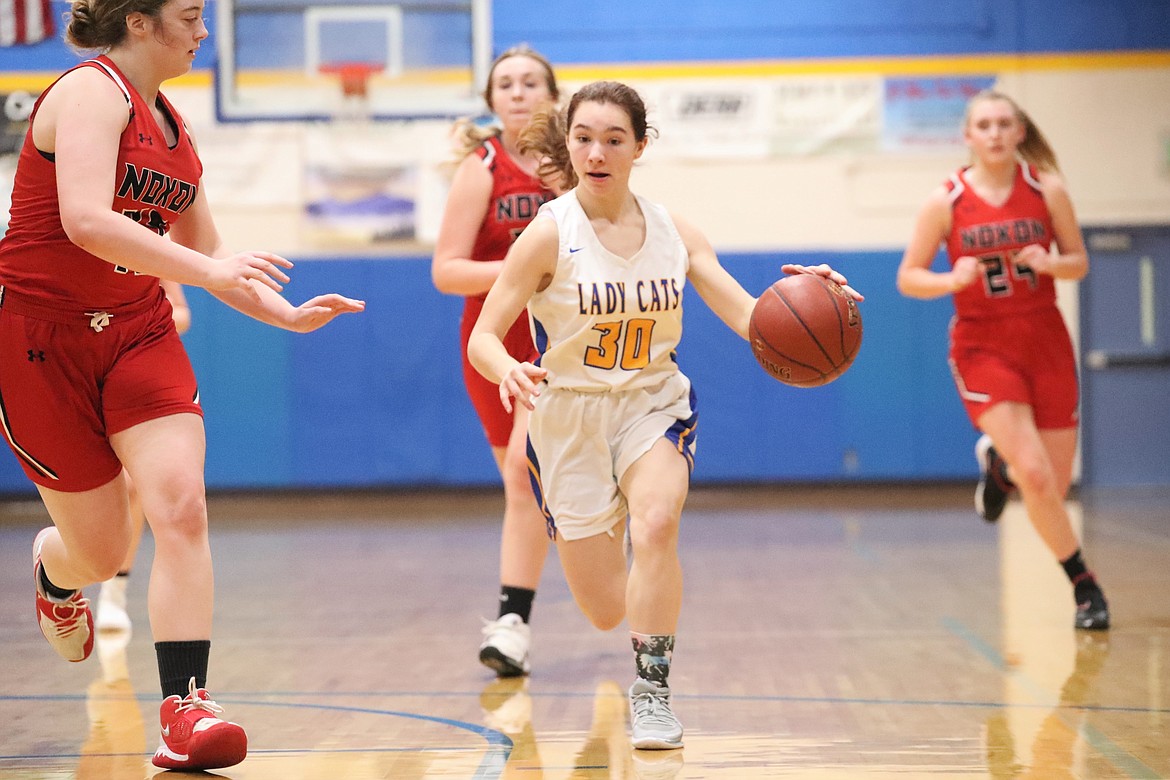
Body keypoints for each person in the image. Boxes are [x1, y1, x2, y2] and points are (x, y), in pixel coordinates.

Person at [0, 0, 364, 771]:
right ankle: (53, 570)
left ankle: (184, 710)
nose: (204, 32)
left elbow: (217, 256)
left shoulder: (176, 134)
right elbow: (88, 222)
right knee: (100, 555)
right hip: (40, 342)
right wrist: (208, 273)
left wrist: (287, 316)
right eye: (192, 15)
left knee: (181, 506)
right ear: (138, 21)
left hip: (138, 333)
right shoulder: (88, 93)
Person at [467, 80, 861, 749]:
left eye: (614, 139)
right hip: (569, 422)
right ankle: (619, 560)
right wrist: (508, 368)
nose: (597, 151)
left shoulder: (674, 229)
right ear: (569, 144)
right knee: (604, 610)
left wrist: (808, 299)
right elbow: (483, 335)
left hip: (652, 404)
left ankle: (653, 693)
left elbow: (749, 315)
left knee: (655, 521)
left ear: (639, 147)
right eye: (584, 138)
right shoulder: (546, 234)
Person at [895, 89, 1109, 631]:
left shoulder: (1047, 190)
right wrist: (951, 278)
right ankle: (1085, 586)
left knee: (1052, 487)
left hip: (1046, 340)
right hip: (983, 344)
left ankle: (998, 468)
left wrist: (1050, 261)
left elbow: (1079, 262)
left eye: (1003, 124)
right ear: (967, 136)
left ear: (1019, 132)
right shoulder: (945, 200)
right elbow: (908, 276)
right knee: (1036, 475)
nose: (993, 133)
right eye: (983, 125)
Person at [431, 44, 559, 678]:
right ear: (490, 101)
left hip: (562, 339)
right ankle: (516, 619)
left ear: (553, 95)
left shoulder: (575, 167)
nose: (517, 92)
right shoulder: (481, 169)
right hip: (492, 341)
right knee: (525, 486)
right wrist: (523, 271)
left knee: (523, 475)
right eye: (505, 83)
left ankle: (513, 621)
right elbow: (447, 270)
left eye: (530, 81)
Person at [95, 279, 189, 634]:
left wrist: (132, 323)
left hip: (133, 375)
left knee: (133, 487)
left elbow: (182, 313)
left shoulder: (148, 240)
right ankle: (65, 571)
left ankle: (114, 592)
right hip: (75, 373)